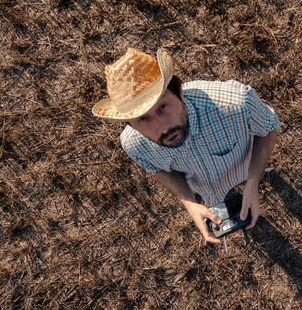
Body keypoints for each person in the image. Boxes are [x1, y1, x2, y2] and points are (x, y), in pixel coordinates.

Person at [92, 47, 279, 245]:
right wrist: (190, 203)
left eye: (163, 107)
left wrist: (253, 181)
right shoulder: (134, 144)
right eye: (142, 119)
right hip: (203, 187)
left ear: (180, 92)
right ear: (130, 124)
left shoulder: (238, 104)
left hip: (244, 167)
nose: (163, 128)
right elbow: (158, 169)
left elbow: (268, 128)